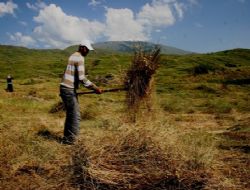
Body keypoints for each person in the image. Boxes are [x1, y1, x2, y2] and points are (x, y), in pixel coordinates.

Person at [60, 40, 102, 144]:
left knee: (71, 114)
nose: (88, 52)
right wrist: (95, 88)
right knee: (75, 115)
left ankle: (67, 139)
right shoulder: (79, 58)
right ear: (82, 48)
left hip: (67, 88)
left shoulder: (73, 55)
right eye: (87, 50)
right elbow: (82, 78)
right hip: (68, 89)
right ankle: (71, 141)